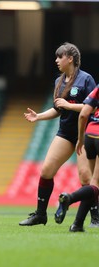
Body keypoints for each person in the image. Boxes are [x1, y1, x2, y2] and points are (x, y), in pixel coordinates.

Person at [19, 42, 97, 226]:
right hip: (65, 133)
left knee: (86, 177)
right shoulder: (59, 81)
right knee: (46, 171)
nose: (56, 60)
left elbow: (93, 109)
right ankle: (40, 214)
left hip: (85, 133)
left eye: (59, 57)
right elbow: (58, 109)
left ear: (70, 59)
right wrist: (38, 116)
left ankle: (96, 217)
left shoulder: (86, 79)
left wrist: (69, 105)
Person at [54, 85, 99, 232]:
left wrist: (81, 138)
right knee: (95, 184)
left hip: (90, 135)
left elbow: (84, 114)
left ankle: (77, 225)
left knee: (93, 184)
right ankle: (70, 198)